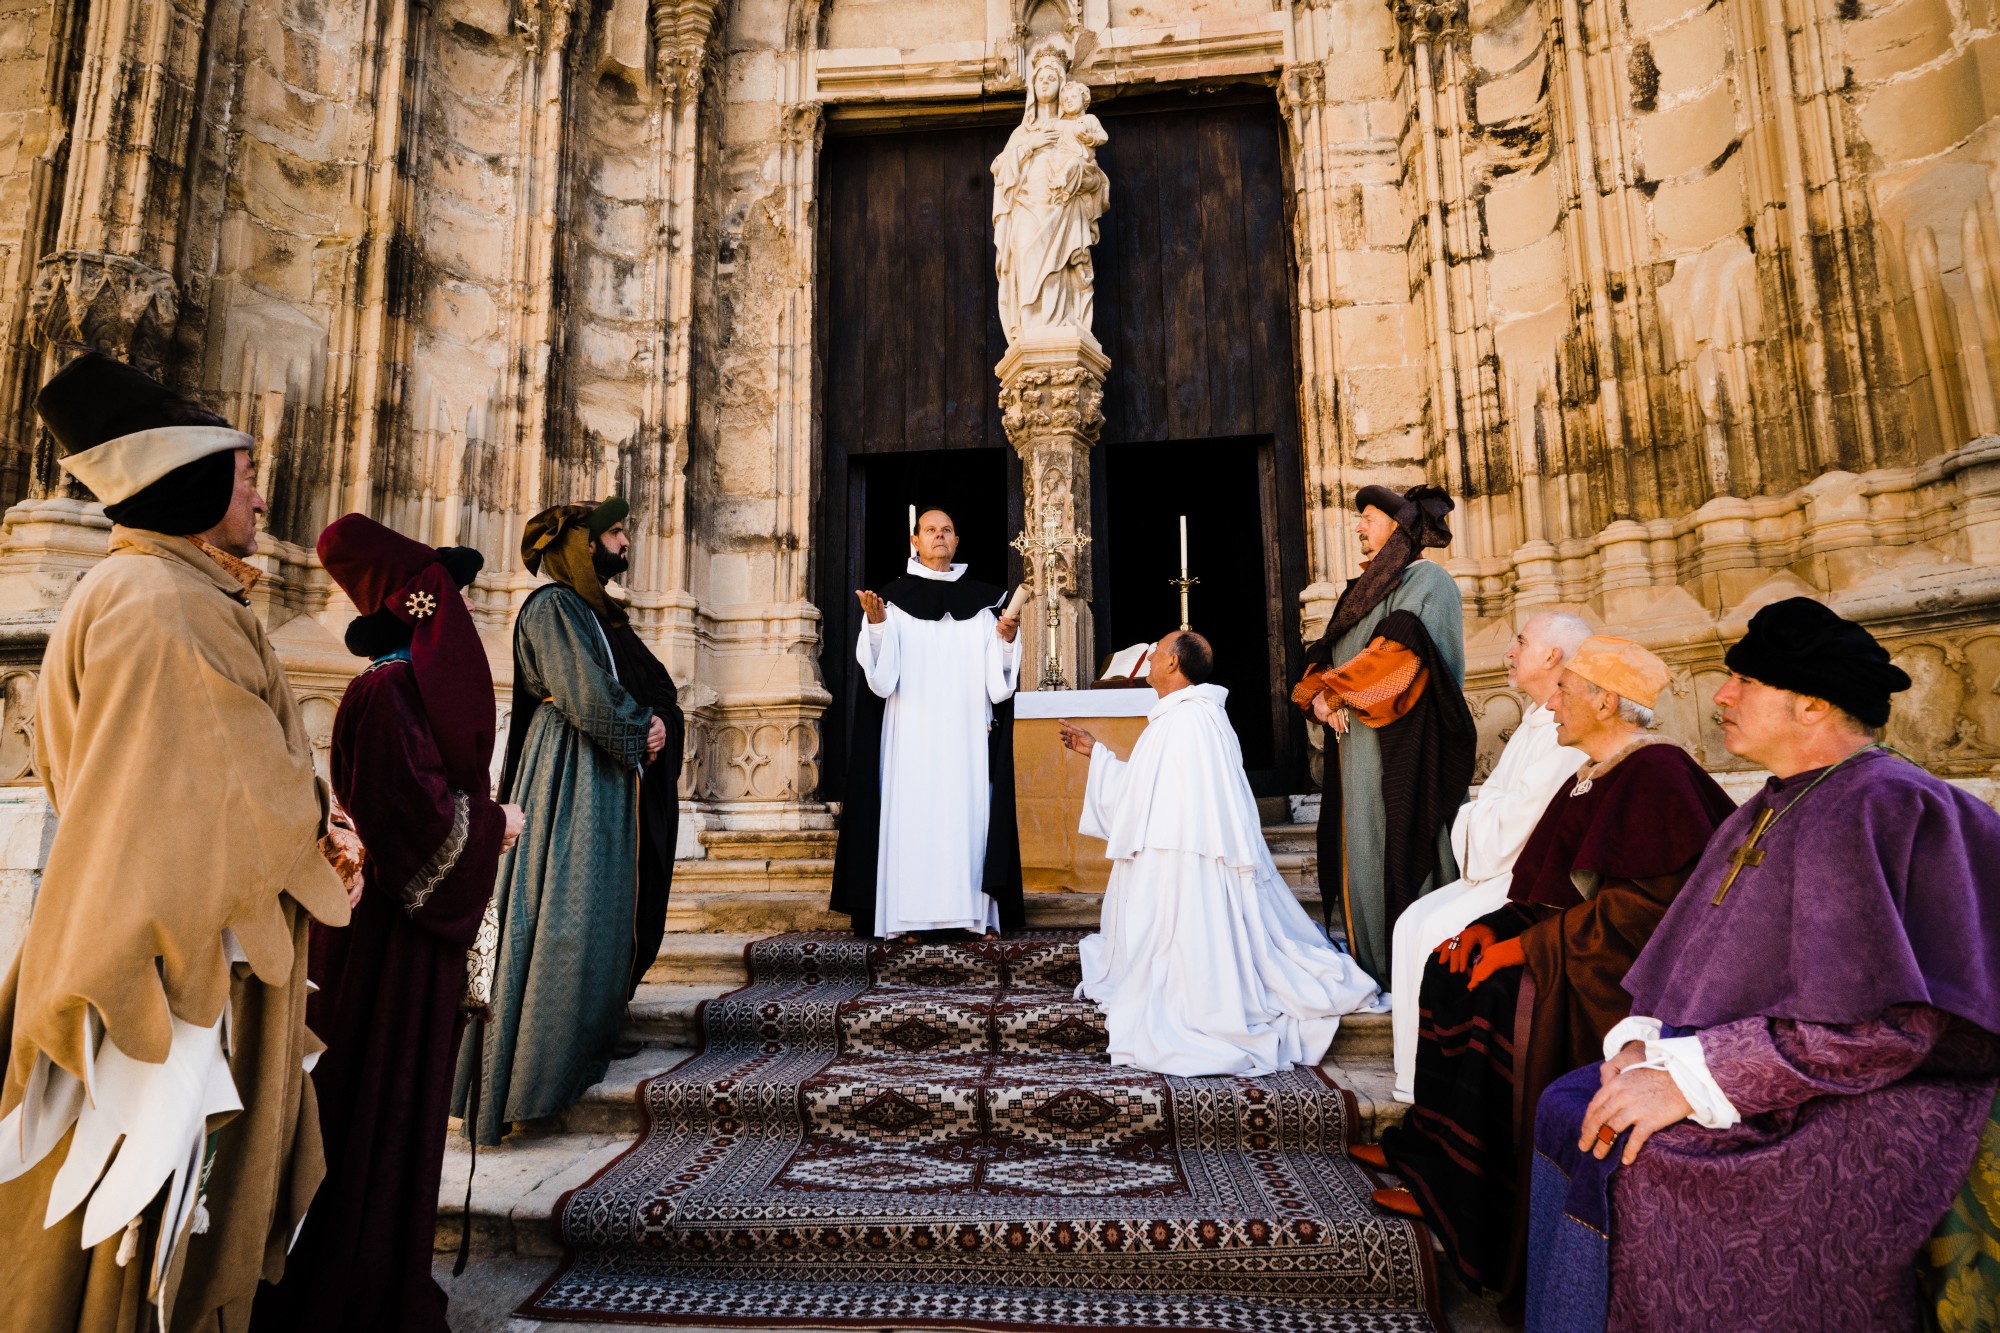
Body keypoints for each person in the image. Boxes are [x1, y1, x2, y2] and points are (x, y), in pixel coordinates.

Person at [1527, 598, 2000, 1333]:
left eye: (1744, 681)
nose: (1720, 695)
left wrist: (1689, 1079)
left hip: (1884, 1088)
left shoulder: (1883, 805)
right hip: (1781, 1059)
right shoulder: (1775, 802)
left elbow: (1889, 1029)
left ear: (1810, 704)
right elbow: (1701, 958)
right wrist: (1646, 1045)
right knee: (1570, 1101)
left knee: (1648, 1156)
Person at [0, 351, 351, 1331]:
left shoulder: (136, 586)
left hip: (124, 921)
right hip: (173, 966)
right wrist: (328, 833)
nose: (261, 494)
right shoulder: (169, 605)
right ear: (187, 483)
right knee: (149, 1214)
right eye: (244, 474)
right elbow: (229, 795)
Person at [1365, 637, 1734, 1301]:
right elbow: (1548, 891)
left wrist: (1526, 949)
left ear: (1607, 701)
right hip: (1575, 947)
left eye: (1565, 691)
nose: (1553, 703)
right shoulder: (1592, 772)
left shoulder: (1658, 773)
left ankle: (1473, 1205)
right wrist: (1488, 930)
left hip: (1618, 979)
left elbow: (1648, 912)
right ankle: (1434, 1166)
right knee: (1450, 968)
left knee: (1497, 994)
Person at [250, 516, 522, 1333]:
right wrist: (493, 824)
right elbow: (410, 824)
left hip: (409, 944)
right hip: (386, 948)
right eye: (450, 598)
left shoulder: (403, 690)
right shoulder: (385, 692)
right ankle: (358, 1291)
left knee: (403, 1108)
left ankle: (384, 1276)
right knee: (377, 1104)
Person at [453, 499, 679, 1145]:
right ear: (578, 543)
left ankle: (582, 1043)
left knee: (597, 911)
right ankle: (528, 1074)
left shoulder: (593, 612)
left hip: (600, 772)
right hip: (567, 772)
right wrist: (639, 729)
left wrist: (657, 723)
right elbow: (581, 690)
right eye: (614, 532)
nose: (624, 542)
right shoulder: (552, 607)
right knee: (560, 910)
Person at [1058, 631, 1380, 1076]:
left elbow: (1184, 804)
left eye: (1157, 651)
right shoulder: (1179, 717)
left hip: (1190, 865)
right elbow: (1146, 790)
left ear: (1174, 663)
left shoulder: (1192, 719)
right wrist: (1097, 754)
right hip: (1171, 854)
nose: (1149, 656)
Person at [1388, 610, 1593, 1101]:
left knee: (1437, 931)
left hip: (1525, 878)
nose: (1509, 651)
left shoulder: (1564, 732)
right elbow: (1498, 804)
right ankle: (1415, 1085)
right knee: (1412, 922)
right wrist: (1484, 816)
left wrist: (1480, 817)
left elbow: (1518, 822)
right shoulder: (1533, 723)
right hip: (1497, 865)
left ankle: (1441, 1089)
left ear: (1552, 656)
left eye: (1521, 642)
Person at [1294, 483, 1473, 986]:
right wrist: (1320, 696)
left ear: (1398, 529)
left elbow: (1401, 655)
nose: (1358, 527)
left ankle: (1420, 971)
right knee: (1363, 847)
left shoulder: (1428, 580)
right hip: (1357, 749)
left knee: (1402, 839)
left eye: (1368, 518)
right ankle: (1374, 963)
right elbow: (1326, 657)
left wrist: (1335, 693)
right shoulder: (1362, 591)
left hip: (1408, 745)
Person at [828, 507, 1024, 939]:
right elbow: (881, 680)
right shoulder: (890, 602)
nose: (939, 536)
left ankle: (971, 917)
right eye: (930, 530)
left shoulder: (987, 603)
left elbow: (999, 686)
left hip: (966, 734)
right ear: (915, 541)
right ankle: (908, 920)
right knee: (912, 821)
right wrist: (877, 627)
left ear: (957, 542)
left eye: (947, 530)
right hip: (910, 732)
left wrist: (1008, 641)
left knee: (966, 822)